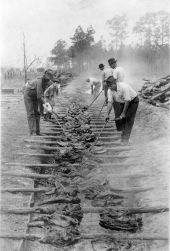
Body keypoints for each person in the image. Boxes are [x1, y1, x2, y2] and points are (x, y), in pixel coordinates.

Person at [105, 74, 139, 144]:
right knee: (121, 120)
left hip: (132, 101)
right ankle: (123, 138)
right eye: (108, 86)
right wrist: (107, 114)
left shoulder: (124, 87)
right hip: (122, 102)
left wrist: (123, 113)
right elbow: (110, 103)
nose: (110, 88)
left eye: (111, 86)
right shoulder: (110, 90)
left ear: (115, 83)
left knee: (129, 120)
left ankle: (125, 140)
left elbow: (127, 100)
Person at [24, 69, 54, 136]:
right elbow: (39, 97)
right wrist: (47, 106)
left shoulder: (49, 82)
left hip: (35, 96)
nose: (49, 77)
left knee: (37, 114)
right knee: (31, 114)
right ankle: (32, 132)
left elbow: (46, 96)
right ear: (45, 74)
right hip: (28, 95)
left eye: (50, 76)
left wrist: (45, 109)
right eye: (48, 75)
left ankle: (37, 132)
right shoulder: (39, 81)